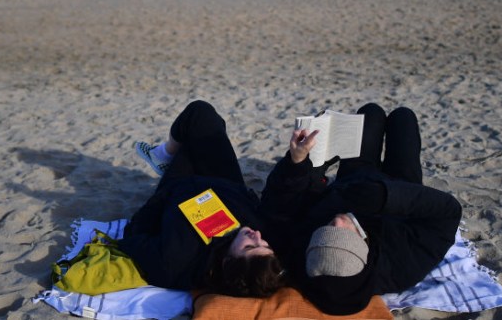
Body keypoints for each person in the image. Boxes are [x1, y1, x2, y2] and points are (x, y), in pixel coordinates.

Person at [260, 103, 462, 315]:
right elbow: (447, 212)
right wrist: (386, 196)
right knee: (403, 117)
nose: (336, 221)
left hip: (352, 181)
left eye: (326, 229)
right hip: (402, 189)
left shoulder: (302, 253)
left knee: (370, 112)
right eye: (341, 232)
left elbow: (280, 204)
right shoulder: (402, 265)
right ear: (361, 248)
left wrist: (298, 162)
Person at [120, 100, 287, 297]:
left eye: (250, 247)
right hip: (225, 181)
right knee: (205, 116)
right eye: (265, 245)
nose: (257, 236)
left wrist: (162, 199)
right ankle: (163, 155)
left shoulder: (175, 263)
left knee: (195, 120)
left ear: (227, 262)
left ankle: (163, 156)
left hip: (180, 183)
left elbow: (133, 234)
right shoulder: (264, 244)